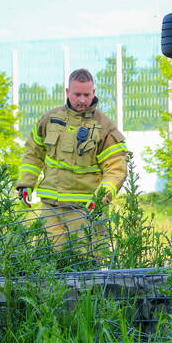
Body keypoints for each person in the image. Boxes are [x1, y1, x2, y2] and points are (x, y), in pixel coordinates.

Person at [16, 68, 128, 249]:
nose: (82, 100)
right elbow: (33, 153)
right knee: (53, 260)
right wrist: (25, 184)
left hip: (84, 209)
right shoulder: (50, 119)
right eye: (77, 94)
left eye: (87, 94)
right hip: (50, 207)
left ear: (94, 93)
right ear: (68, 92)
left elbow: (116, 168)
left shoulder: (104, 127)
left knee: (87, 260)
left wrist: (101, 198)